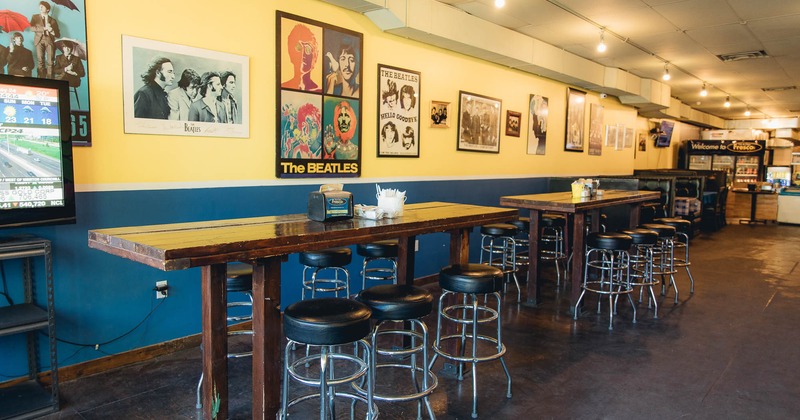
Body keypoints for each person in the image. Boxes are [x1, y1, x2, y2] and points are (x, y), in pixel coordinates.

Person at [281, 23, 321, 92]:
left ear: (315, 56)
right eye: (298, 48)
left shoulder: (320, 91)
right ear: (290, 52)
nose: (303, 54)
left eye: (308, 49)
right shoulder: (282, 87)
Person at [29, 1, 60, 79]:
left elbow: (58, 35)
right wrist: (44, 28)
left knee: (50, 62)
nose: (40, 7)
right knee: (40, 61)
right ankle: (41, 80)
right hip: (39, 40)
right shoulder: (35, 17)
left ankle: (50, 80)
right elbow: (31, 28)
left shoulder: (53, 20)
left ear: (48, 10)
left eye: (42, 6)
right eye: (40, 6)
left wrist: (51, 30)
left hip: (49, 40)